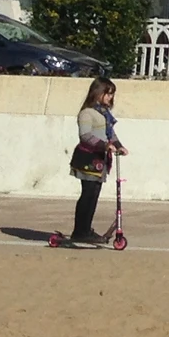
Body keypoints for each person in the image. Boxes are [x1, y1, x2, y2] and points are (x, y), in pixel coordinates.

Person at [68, 77, 126, 245]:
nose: (110, 97)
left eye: (112, 94)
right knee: (88, 194)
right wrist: (105, 145)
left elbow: (110, 134)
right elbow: (85, 136)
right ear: (97, 93)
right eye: (107, 94)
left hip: (100, 159)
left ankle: (86, 229)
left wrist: (119, 146)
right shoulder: (87, 113)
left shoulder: (104, 113)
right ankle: (80, 231)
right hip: (88, 158)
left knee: (94, 194)